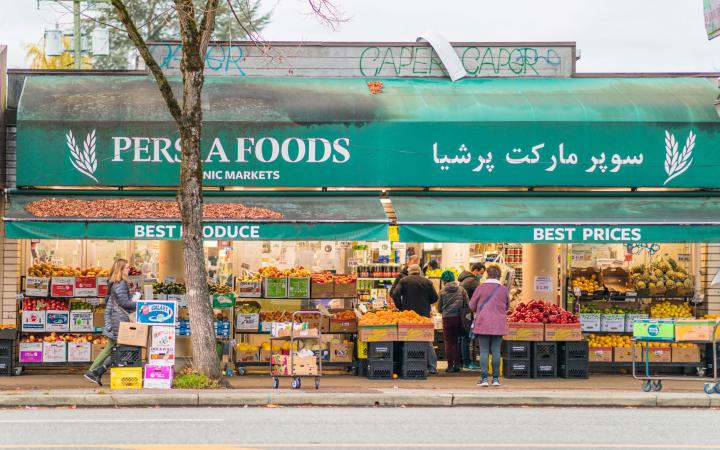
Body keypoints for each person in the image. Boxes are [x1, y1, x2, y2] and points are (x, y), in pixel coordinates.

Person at [84, 259, 137, 386]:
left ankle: (95, 372)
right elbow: (124, 303)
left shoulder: (116, 283)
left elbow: (119, 302)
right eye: (127, 267)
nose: (129, 269)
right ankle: (96, 372)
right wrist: (140, 303)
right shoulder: (121, 284)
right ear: (121, 269)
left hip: (118, 320)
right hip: (120, 321)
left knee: (115, 348)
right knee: (121, 349)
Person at [391, 264, 439, 374]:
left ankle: (409, 365)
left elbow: (395, 294)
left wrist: (401, 307)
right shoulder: (427, 282)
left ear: (409, 272)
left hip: (408, 316)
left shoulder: (404, 281)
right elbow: (435, 298)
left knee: (407, 339)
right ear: (419, 272)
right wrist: (426, 302)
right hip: (423, 316)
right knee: (427, 341)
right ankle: (432, 367)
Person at [468, 264, 509, 387]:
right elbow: (507, 306)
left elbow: (471, 305)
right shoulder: (503, 289)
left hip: (483, 322)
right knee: (496, 351)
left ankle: (484, 379)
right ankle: (496, 379)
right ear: (499, 275)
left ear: (487, 274)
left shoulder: (480, 288)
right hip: (499, 323)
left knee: (484, 351)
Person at [438, 270, 468, 373]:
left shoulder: (442, 291)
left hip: (446, 318)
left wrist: (444, 310)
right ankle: (457, 365)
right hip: (458, 318)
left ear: (444, 280)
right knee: (456, 342)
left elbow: (439, 308)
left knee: (448, 342)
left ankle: (450, 366)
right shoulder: (461, 290)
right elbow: (466, 304)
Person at [457, 262, 486, 370]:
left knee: (462, 337)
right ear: (476, 270)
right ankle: (467, 363)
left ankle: (461, 361)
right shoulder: (473, 281)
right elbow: (480, 296)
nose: (481, 275)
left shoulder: (464, 279)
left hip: (461, 311)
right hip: (468, 312)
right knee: (467, 338)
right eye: (481, 273)